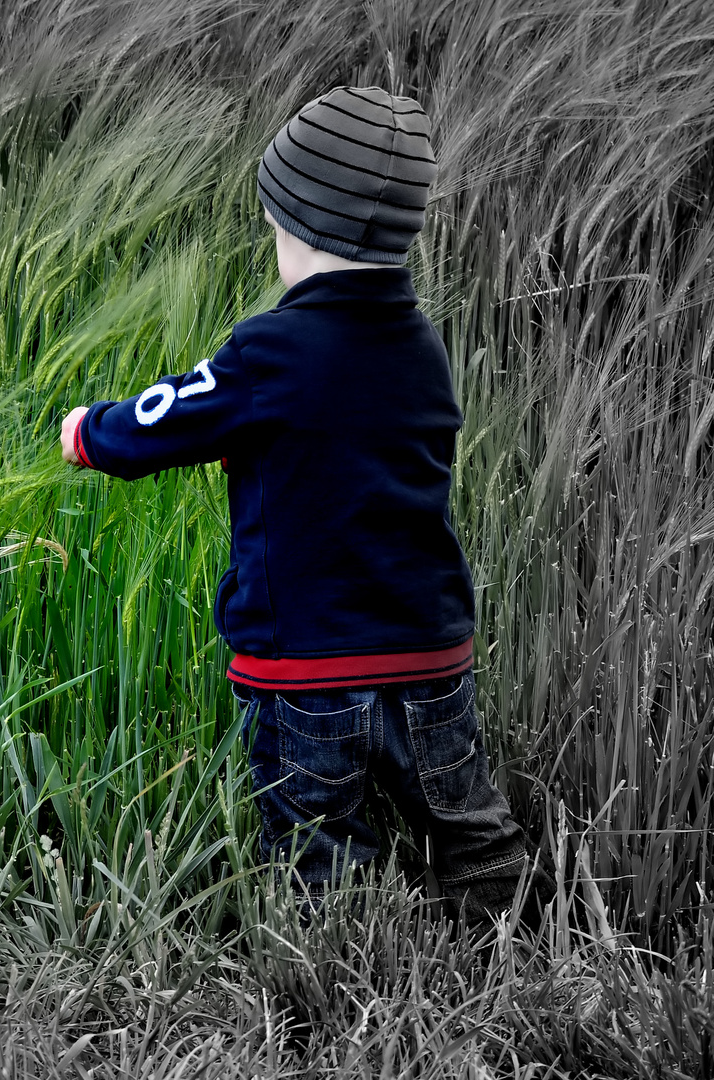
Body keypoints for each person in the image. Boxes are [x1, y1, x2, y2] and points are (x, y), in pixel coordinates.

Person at [59, 86, 543, 929]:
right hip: (430, 656)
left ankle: (341, 976)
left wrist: (89, 433)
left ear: (296, 230)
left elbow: (166, 417)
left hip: (309, 672)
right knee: (468, 825)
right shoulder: (424, 348)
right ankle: (512, 937)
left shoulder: (269, 352)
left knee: (318, 845)